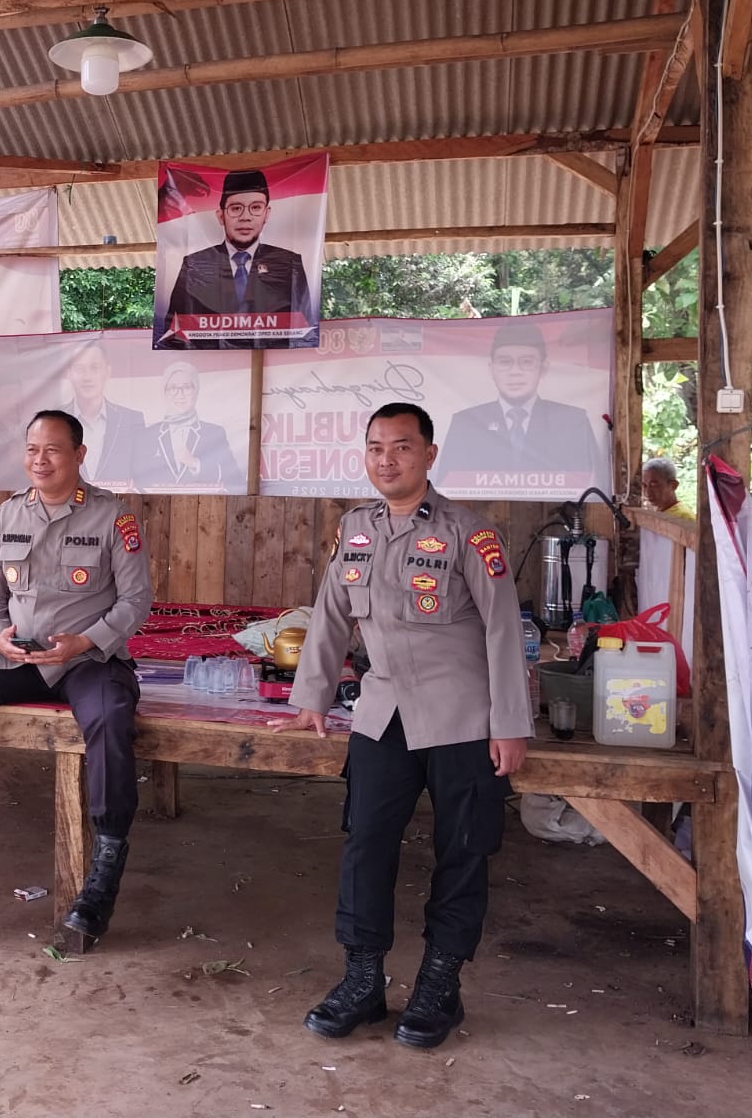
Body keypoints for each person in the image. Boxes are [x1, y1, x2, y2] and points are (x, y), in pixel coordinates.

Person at [269, 403, 532, 1051]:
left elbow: (504, 631)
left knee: (463, 849)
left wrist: (510, 723)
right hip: (382, 710)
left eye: (402, 447)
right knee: (366, 843)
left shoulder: (471, 533)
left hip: (461, 715)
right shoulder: (356, 529)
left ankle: (440, 985)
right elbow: (331, 614)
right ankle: (363, 980)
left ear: (429, 455)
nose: (387, 459)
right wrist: (313, 696)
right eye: (376, 448)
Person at [0, 411, 152, 946]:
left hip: (88, 659)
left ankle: (104, 870)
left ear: (79, 455)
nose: (40, 460)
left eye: (53, 449)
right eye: (32, 449)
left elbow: (136, 601)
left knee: (110, 718)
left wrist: (85, 641)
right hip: (17, 656)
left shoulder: (113, 517)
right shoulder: (9, 512)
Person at [162, 168, 312, 348]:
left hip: (273, 358)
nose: (245, 217)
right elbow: (173, 330)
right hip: (208, 360)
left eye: (255, 207)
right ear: (221, 216)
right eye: (236, 208)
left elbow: (304, 329)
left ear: (267, 214)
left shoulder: (289, 264)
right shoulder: (195, 264)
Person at [434, 324, 602, 480]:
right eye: (505, 362)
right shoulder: (465, 423)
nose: (515, 371)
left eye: (526, 362)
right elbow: (447, 486)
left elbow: (593, 483)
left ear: (543, 368)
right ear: (491, 369)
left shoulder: (573, 422)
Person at [133, 361, 243, 490]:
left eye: (186, 387)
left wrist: (195, 463)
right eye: (173, 388)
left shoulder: (214, 433)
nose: (180, 394)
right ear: (165, 392)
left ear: (196, 391)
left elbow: (234, 480)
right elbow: (137, 481)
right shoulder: (147, 435)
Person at [63, 340, 145, 488]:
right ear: (69, 374)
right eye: (80, 369)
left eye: (95, 368)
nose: (87, 377)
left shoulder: (132, 420)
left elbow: (142, 475)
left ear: (108, 372)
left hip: (118, 501)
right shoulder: (54, 422)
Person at [641, 456, 695, 521]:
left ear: (673, 485)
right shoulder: (659, 511)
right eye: (644, 485)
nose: (647, 492)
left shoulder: (684, 517)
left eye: (654, 485)